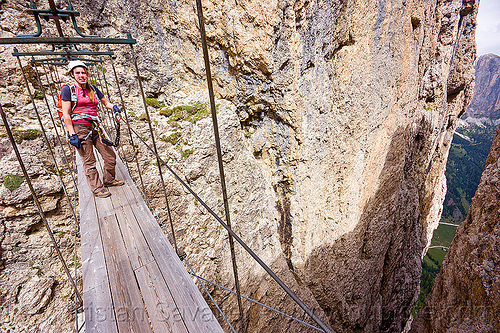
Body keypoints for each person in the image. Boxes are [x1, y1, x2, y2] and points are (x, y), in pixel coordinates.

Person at [62, 60, 124, 198]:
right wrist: (72, 134)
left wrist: (113, 107)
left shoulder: (93, 89)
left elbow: (105, 102)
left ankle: (109, 179)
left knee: (110, 156)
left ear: (87, 74)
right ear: (72, 74)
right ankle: (97, 188)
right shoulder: (68, 90)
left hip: (95, 126)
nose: (81, 75)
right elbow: (66, 113)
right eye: (77, 73)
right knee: (89, 160)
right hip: (79, 127)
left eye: (83, 72)